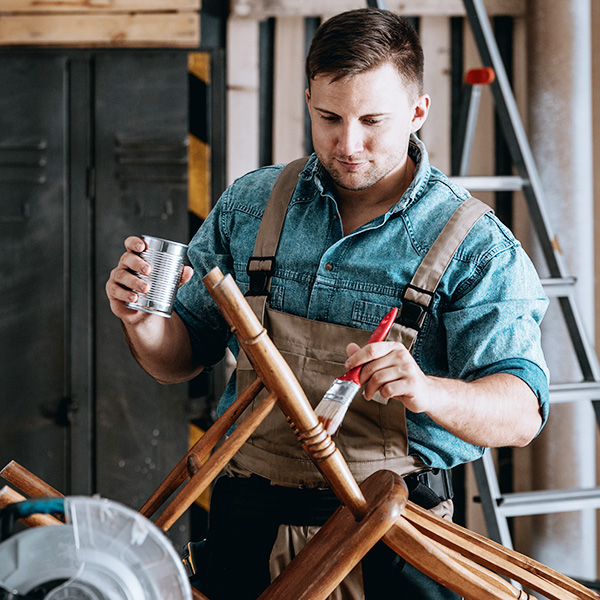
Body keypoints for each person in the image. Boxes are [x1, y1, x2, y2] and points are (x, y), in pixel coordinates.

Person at [106, 8, 549, 599]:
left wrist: (426, 390)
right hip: (245, 525)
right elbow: (178, 358)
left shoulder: (473, 244)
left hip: (390, 533)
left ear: (418, 111)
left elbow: (522, 414)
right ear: (308, 97)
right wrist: (143, 322)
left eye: (373, 121)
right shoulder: (252, 205)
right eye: (329, 118)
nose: (348, 144)